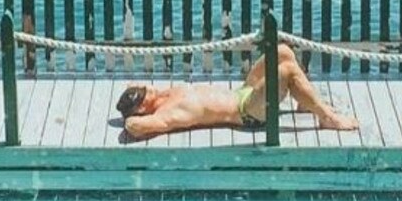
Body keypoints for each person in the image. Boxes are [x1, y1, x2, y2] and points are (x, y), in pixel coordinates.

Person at [115, 44, 359, 141]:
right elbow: (135, 126)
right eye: (145, 94)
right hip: (247, 112)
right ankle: (327, 117)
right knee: (286, 70)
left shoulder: (162, 95)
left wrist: (136, 94)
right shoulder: (165, 113)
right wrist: (130, 119)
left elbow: (134, 89)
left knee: (282, 51)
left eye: (146, 88)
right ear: (142, 108)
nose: (151, 89)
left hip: (242, 92)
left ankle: (305, 101)